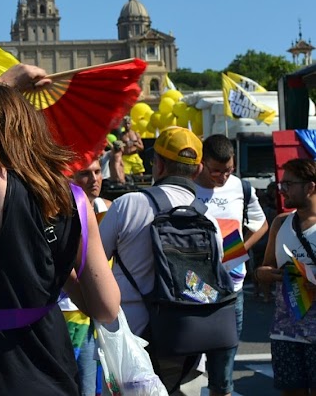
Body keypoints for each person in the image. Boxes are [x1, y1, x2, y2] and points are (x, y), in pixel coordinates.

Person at [0, 63, 120, 395]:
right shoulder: (75, 199)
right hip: (54, 363)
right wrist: (57, 269)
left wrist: (4, 81)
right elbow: (106, 307)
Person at [99, 126, 224, 391]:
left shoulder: (128, 205)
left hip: (132, 341)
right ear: (198, 170)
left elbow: (95, 267)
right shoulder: (209, 220)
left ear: (158, 164)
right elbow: (210, 284)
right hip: (188, 342)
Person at [193, 134, 269, 396]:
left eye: (229, 170)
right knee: (188, 369)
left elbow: (260, 224)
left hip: (231, 288)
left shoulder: (240, 187)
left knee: (223, 375)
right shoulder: (187, 187)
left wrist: (240, 249)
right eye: (216, 171)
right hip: (193, 288)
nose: (223, 177)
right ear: (202, 162)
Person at [256, 158, 316, 396]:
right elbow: (264, 268)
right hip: (285, 332)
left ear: (310, 187)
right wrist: (265, 274)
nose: (282, 190)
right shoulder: (280, 223)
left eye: (289, 184)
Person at [61, 157, 109, 396]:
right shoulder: (59, 212)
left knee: (91, 388)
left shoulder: (108, 209)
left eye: (98, 172)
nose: (94, 179)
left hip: (95, 313)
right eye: (85, 173)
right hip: (63, 313)